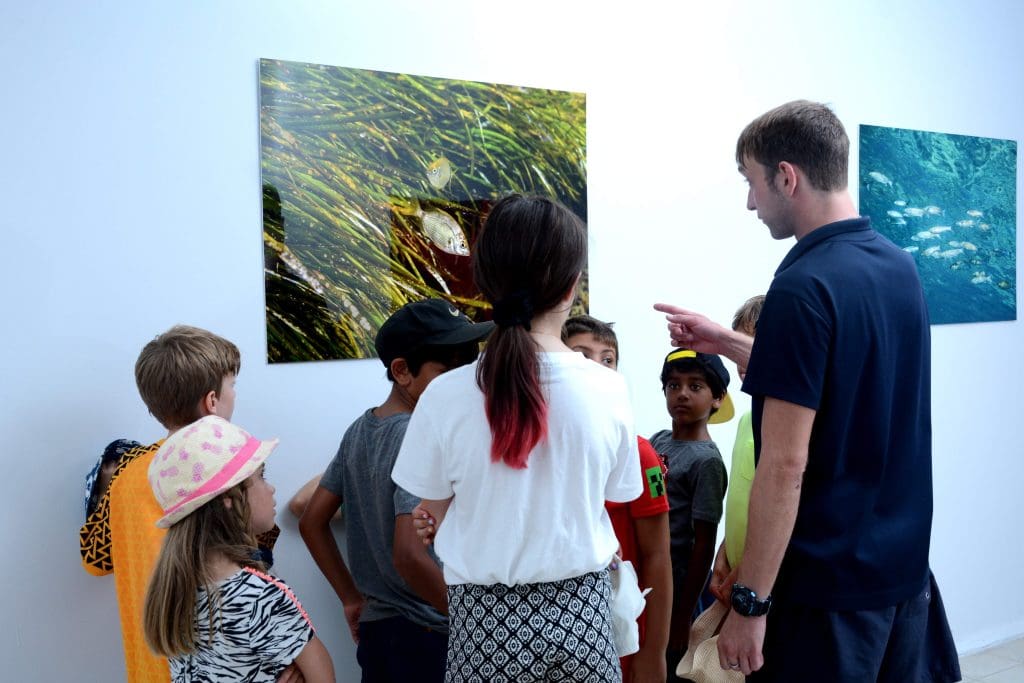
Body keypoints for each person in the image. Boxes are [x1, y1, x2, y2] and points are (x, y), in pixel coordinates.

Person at [655, 100, 959, 682]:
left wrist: (750, 604)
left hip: (828, 594)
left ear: (787, 176)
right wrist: (727, 341)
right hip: (903, 578)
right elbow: (842, 386)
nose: (750, 202)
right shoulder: (899, 267)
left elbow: (786, 465)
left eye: (752, 182)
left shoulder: (801, 286)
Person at [392, 194, 641, 682]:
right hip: (581, 622)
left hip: (483, 628)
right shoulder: (608, 388)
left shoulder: (443, 395)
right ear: (572, 286)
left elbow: (428, 510)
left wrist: (442, 517)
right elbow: (616, 494)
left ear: (484, 282)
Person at [78, 325, 289, 683]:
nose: (234, 396)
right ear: (211, 401)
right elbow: (255, 560)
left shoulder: (127, 473)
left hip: (148, 668)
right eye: (232, 386)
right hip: (224, 669)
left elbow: (95, 562)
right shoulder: (227, 471)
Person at [299, 298, 493, 683]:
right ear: (402, 371)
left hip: (379, 632)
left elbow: (312, 521)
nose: (465, 379)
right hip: (430, 634)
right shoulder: (418, 434)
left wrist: (351, 598)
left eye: (470, 365)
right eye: (448, 368)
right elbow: (410, 554)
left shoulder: (360, 429)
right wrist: (470, 623)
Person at [143, 416, 335, 682]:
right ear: (228, 499)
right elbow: (324, 677)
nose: (271, 488)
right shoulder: (260, 597)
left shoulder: (175, 590)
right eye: (261, 476)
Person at [563, 314, 672, 683]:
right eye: (582, 356)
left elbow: (658, 556)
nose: (598, 368)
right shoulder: (539, 452)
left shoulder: (638, 454)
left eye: (607, 359)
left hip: (622, 638)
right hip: (559, 636)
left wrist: (654, 652)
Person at [648, 349, 732, 681]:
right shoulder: (659, 441)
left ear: (717, 398)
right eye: (673, 385)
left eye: (695, 386)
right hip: (650, 577)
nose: (681, 393)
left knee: (673, 668)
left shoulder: (706, 461)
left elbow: (704, 543)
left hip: (681, 588)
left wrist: (683, 615)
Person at [708, 295, 764, 604]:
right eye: (738, 344)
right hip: (739, 578)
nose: (741, 358)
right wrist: (725, 553)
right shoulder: (746, 420)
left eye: (751, 345)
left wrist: (748, 571)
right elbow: (744, 504)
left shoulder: (792, 427)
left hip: (762, 584)